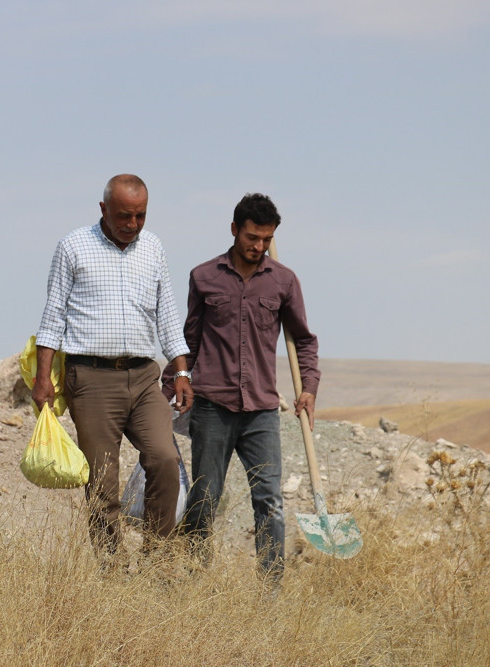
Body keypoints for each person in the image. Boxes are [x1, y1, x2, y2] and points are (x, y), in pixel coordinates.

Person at [32, 174, 194, 564]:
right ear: (103, 209)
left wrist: (182, 371)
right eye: (124, 215)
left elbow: (168, 315)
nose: (133, 225)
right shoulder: (73, 247)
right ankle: (112, 568)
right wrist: (42, 379)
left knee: (164, 459)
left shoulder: (153, 247)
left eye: (140, 216)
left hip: (143, 378)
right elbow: (53, 316)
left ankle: (157, 559)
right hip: (91, 379)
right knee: (102, 480)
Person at [172, 192, 319, 582]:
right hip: (211, 407)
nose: (258, 246)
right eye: (252, 237)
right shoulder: (203, 277)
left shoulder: (284, 281)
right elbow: (187, 341)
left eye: (267, 239)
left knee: (269, 502)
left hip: (261, 411)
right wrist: (177, 379)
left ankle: (270, 590)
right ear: (234, 230)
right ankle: (192, 578)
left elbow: (303, 340)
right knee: (204, 499)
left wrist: (309, 387)